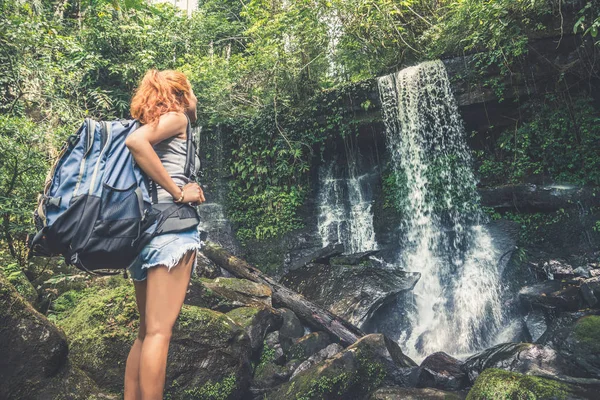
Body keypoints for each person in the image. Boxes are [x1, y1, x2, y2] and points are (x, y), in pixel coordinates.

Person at [123, 69, 205, 400]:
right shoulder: (178, 119)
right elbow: (135, 142)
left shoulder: (157, 125)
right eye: (192, 90)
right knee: (159, 333)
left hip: (144, 237)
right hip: (171, 233)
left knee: (145, 333)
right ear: (182, 94)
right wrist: (178, 191)